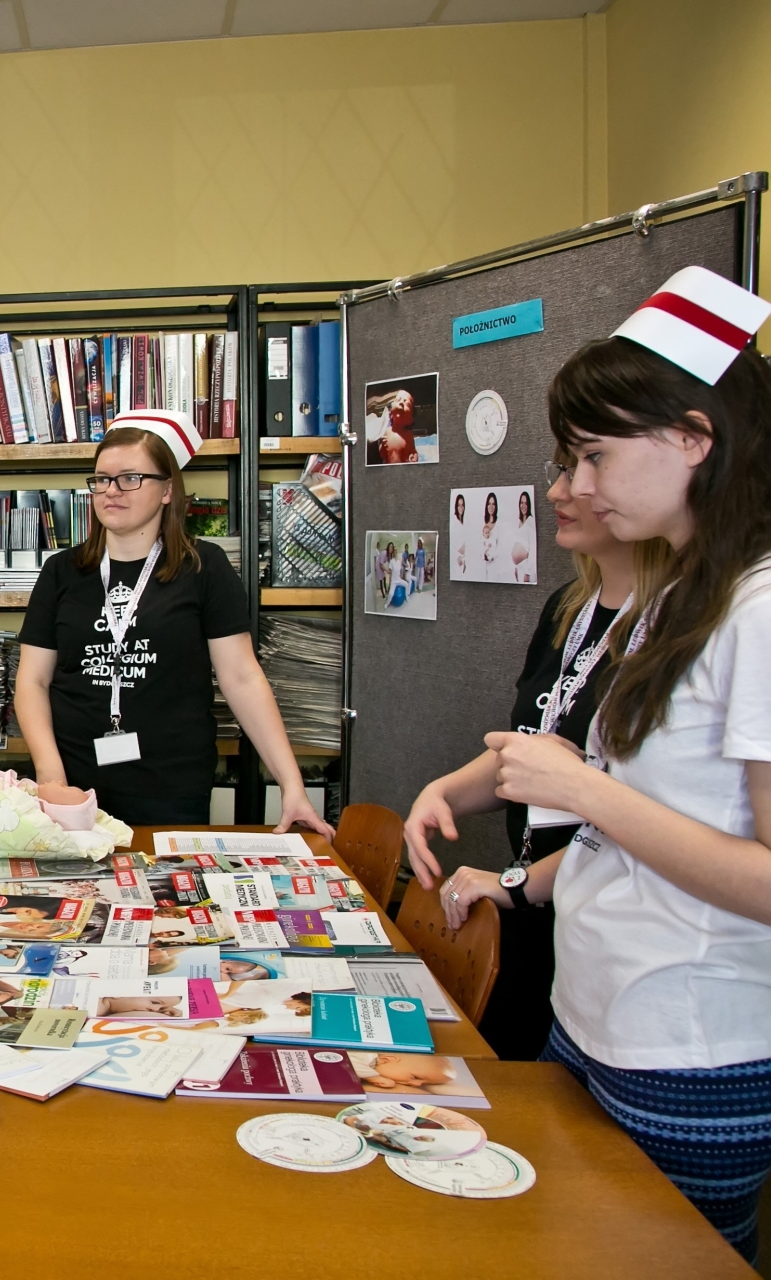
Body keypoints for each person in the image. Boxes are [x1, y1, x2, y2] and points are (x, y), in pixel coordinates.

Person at [484, 267, 771, 1260]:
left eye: (595, 455)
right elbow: (638, 822)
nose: (579, 486)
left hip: (688, 1048)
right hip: (596, 1013)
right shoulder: (676, 596)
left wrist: (582, 788)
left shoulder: (759, 611)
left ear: (694, 438)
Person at [404, 457, 668, 1059]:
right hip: (534, 913)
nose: (558, 491)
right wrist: (444, 792)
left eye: (588, 465)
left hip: (597, 922)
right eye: (563, 469)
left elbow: (646, 817)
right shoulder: (569, 608)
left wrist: (517, 885)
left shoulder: (670, 629)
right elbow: (530, 746)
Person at [15, 412, 332, 834]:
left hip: (172, 788)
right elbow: (32, 681)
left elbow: (242, 678)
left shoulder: (205, 567)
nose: (111, 490)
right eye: (102, 479)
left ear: (167, 490)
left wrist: (292, 785)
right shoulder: (62, 571)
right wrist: (51, 776)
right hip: (73, 786)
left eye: (130, 478)